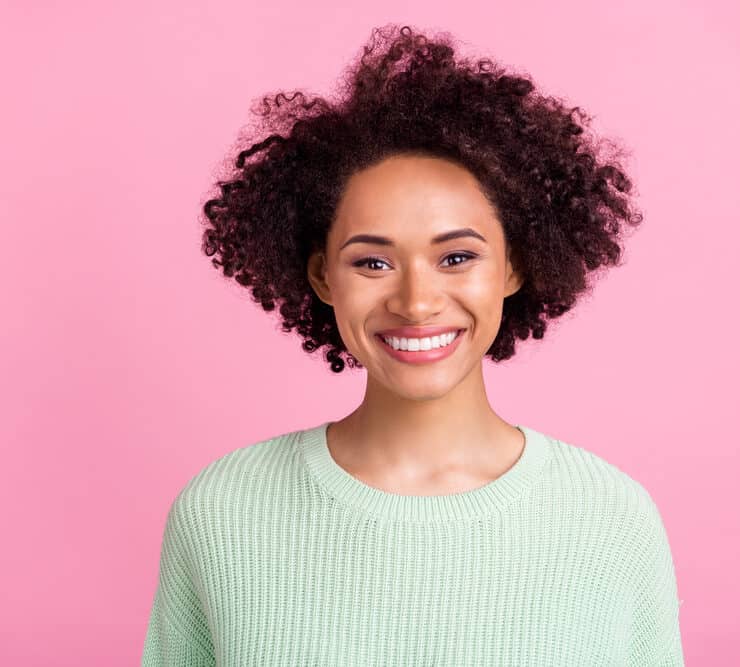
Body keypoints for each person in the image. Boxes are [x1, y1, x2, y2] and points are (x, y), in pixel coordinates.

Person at [142, 23, 684, 666]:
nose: (416, 301)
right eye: (373, 263)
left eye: (456, 257)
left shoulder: (611, 519)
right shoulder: (222, 512)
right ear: (322, 276)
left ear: (515, 267)